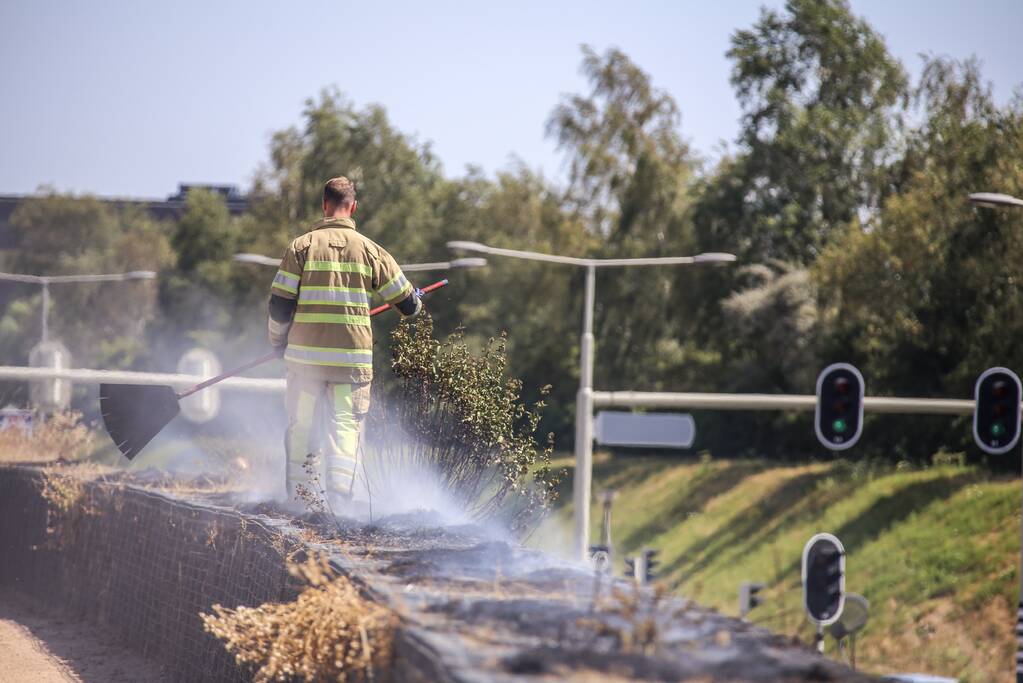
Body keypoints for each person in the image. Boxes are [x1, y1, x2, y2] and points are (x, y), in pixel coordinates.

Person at [267, 176, 422, 509]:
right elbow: (408, 306)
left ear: (324, 205)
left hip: (305, 363)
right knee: (345, 429)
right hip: (349, 365)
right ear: (353, 207)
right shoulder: (371, 250)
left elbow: (279, 305)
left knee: (302, 427)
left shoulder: (301, 247)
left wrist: (278, 343)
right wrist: (417, 298)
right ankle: (341, 504)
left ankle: (299, 501)